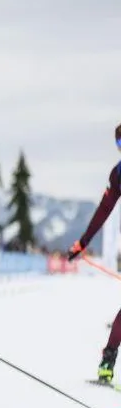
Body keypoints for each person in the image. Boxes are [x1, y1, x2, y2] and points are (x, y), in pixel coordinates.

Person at [67, 123, 121, 384]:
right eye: (120, 145)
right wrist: (83, 241)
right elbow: (104, 209)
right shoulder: (118, 173)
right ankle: (107, 362)